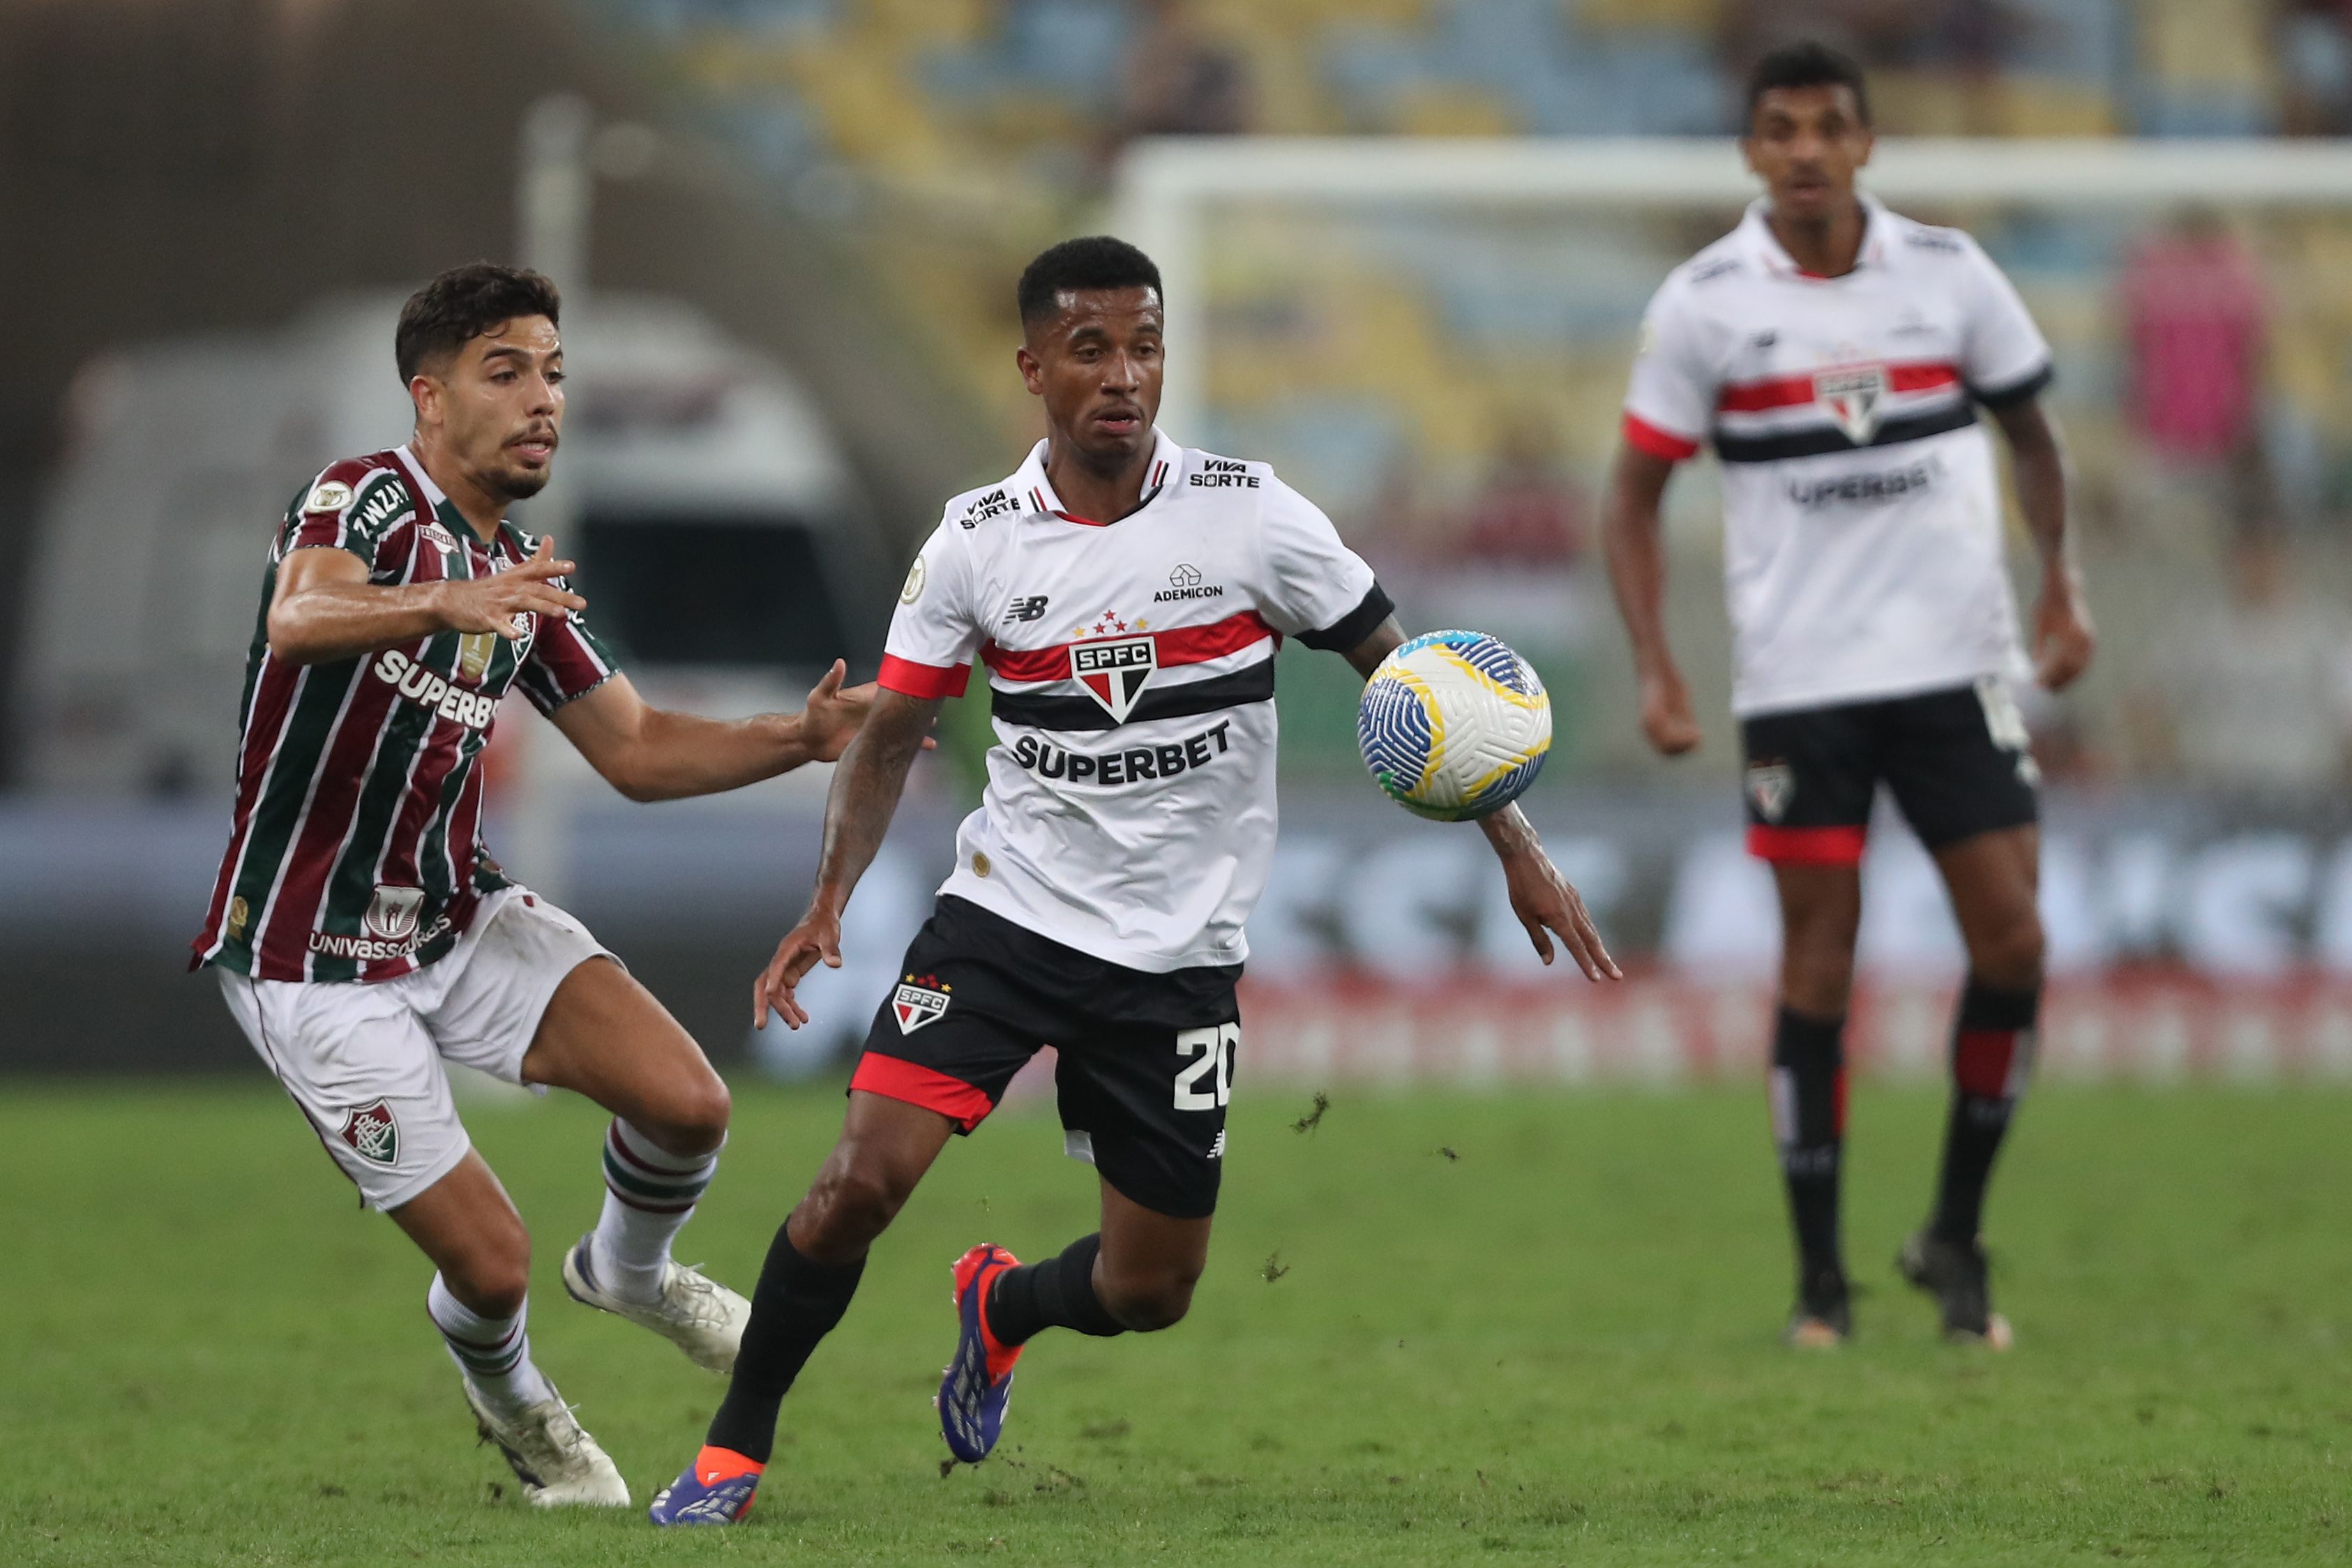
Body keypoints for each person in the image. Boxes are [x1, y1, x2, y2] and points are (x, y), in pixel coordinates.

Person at [648, 236, 1620, 1526]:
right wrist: (828, 901)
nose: (1123, 374)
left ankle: (1002, 1305)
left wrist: (1519, 848)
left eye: (1145, 346)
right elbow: (888, 740)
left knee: (1150, 1290)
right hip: (1006, 922)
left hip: (1178, 961)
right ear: (1032, 368)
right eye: (1091, 349)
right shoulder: (975, 543)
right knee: (856, 1184)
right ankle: (734, 1450)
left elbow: (1416, 690)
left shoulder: (1254, 515)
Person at [190, 262, 895, 1505]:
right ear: (429, 398)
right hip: (309, 959)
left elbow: (637, 748)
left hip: (452, 919)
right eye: (506, 372)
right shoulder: (363, 498)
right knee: (492, 1270)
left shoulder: (517, 571)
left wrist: (797, 737)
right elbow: (300, 618)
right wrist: (444, 601)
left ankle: (630, 1272)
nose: (543, 400)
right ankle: (519, 1405)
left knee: (689, 1105)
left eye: (555, 375)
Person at [1600, 43, 2094, 1349]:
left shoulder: (1949, 273)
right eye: (1782, 128)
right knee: (1821, 964)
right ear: (1751, 152)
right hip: (1803, 683)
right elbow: (1633, 499)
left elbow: (2034, 438)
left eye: (1830, 126)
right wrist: (1656, 662)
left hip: (1954, 667)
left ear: (1868, 142)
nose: (1807, 149)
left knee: (2016, 947)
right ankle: (1822, 1285)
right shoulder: (1705, 303)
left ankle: (1953, 1237)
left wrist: (2062, 584)